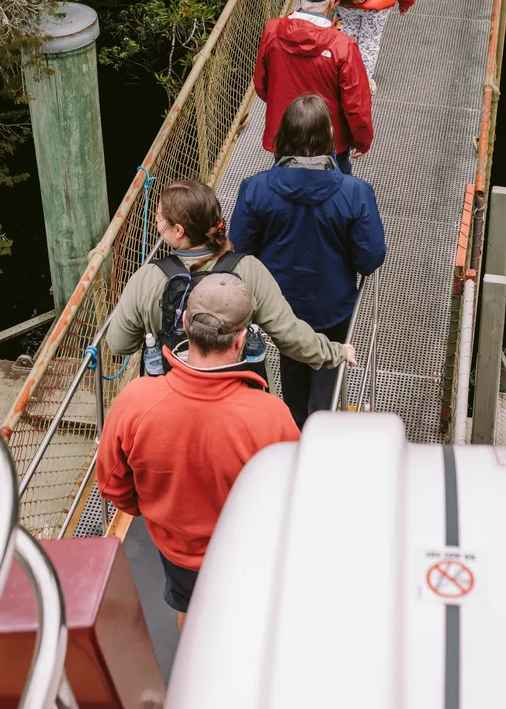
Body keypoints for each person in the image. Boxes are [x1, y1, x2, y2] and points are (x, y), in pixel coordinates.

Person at [98, 273, 300, 627]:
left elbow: (113, 484)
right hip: (245, 552)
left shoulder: (135, 401)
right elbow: (294, 497)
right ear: (240, 340)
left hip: (176, 552)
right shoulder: (270, 417)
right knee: (248, 618)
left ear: (186, 324)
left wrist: (152, 509)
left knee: (189, 614)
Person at [230, 96, 383, 428]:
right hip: (334, 306)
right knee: (327, 383)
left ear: (283, 136)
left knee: (292, 369)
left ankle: (295, 428)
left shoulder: (255, 189)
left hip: (278, 307)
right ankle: (320, 430)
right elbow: (370, 257)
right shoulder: (356, 193)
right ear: (330, 135)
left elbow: (240, 249)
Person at [107, 177, 355, 374]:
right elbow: (289, 334)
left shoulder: (147, 278)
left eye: (160, 219)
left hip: (173, 394)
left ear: (179, 231)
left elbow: (120, 343)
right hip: (237, 388)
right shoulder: (248, 269)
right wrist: (336, 352)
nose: (157, 222)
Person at [253, 0, 373, 174]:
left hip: (286, 131)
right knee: (336, 193)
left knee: (284, 186)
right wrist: (362, 140)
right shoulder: (343, 46)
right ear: (334, 0)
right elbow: (355, 103)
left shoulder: (272, 31)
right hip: (328, 138)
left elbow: (262, 85)